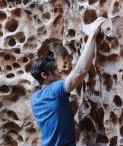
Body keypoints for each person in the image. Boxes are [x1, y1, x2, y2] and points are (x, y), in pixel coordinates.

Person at [30, 17, 106, 146]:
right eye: (54, 70)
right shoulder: (55, 91)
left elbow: (56, 120)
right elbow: (80, 71)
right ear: (44, 75)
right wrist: (92, 35)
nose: (59, 72)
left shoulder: (34, 99)